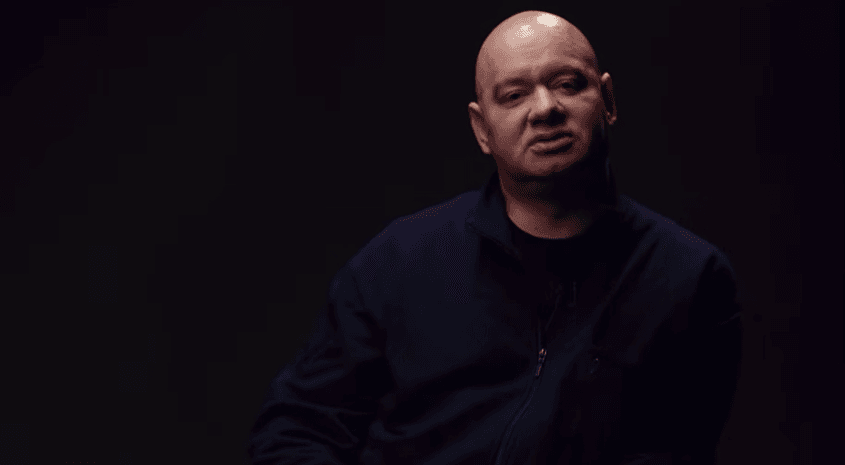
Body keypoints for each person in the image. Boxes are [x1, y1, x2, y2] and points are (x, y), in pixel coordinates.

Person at [248, 10, 742, 465]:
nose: (545, 109)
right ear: (481, 128)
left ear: (607, 101)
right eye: (514, 95)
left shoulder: (688, 278)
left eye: (568, 84)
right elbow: (296, 431)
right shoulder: (399, 261)